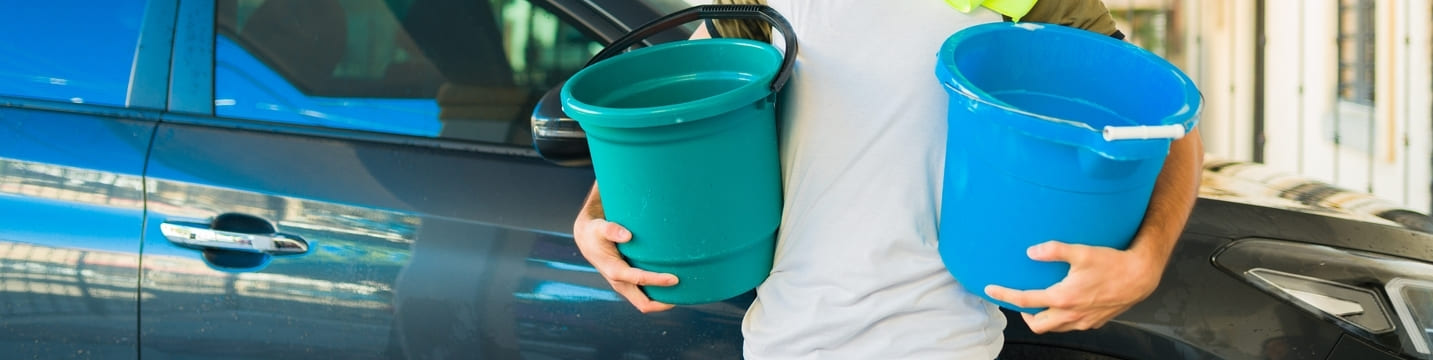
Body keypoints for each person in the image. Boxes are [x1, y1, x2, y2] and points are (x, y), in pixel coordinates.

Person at [572, 0, 1205, 358]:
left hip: (940, 344)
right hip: (783, 341)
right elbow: (673, 116)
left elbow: (1160, 117)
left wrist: (1146, 261)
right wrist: (596, 212)